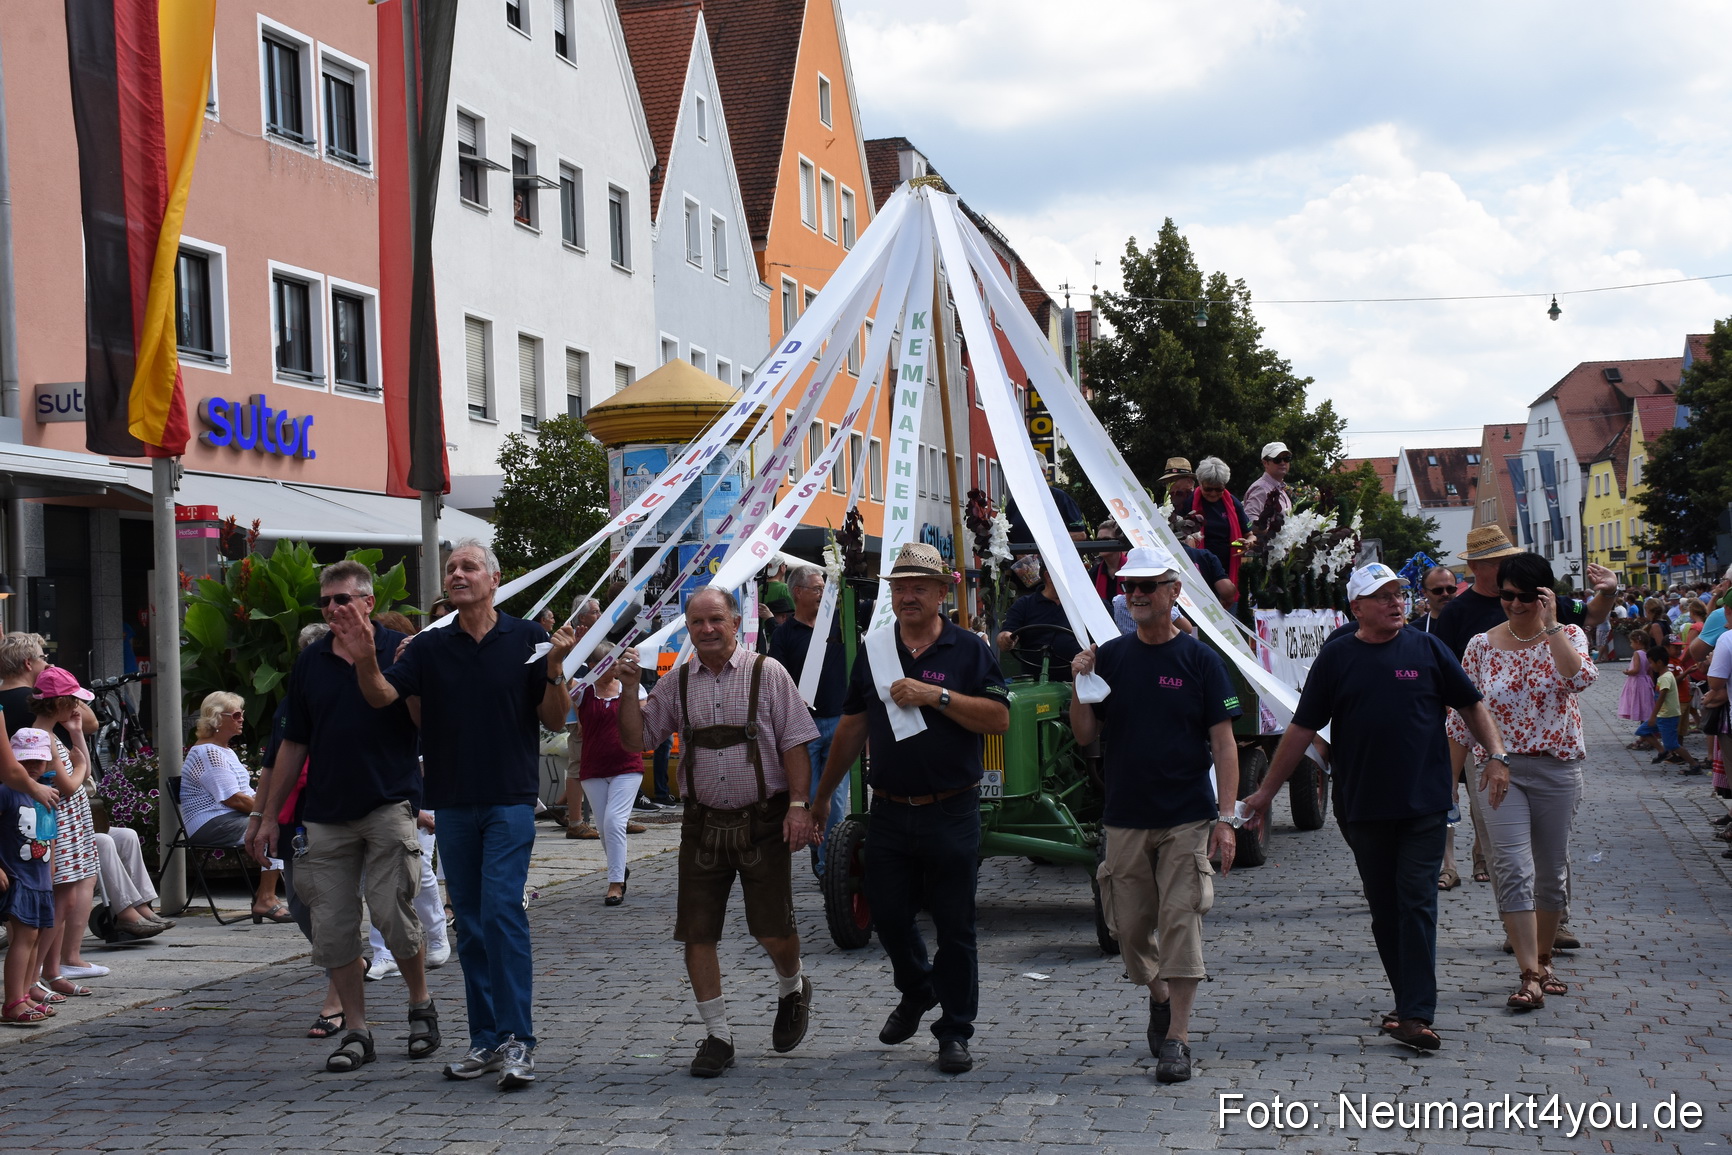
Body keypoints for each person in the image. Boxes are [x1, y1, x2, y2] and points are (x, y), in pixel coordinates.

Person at [328, 539, 578, 1091]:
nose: (458, 574)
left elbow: (555, 718)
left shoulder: (527, 638)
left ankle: (519, 1039)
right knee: (471, 922)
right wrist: (367, 658)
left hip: (510, 798)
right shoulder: (428, 646)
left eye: (469, 567)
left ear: (494, 578)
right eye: (451, 568)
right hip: (454, 802)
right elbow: (382, 697)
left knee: (502, 912)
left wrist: (555, 667)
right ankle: (486, 1039)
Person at [1242, 563, 1508, 1053]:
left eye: (1399, 594)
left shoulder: (1428, 649)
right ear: (1357, 608)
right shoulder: (1337, 656)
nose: (1396, 602)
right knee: (1385, 909)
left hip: (1424, 802)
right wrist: (1264, 794)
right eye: (1383, 596)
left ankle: (1416, 1013)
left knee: (1417, 901)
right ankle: (1407, 1003)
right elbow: (1301, 729)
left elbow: (1471, 704)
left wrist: (1495, 754)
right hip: (1362, 804)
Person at [816, 542, 1011, 1076]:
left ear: (941, 592)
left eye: (918, 587)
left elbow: (998, 719)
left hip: (951, 808)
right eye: (899, 587)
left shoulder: (968, 649)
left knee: (955, 925)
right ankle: (919, 987)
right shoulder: (876, 649)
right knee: (888, 915)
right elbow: (852, 725)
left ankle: (955, 1031)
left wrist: (935, 696)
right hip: (890, 809)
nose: (907, 596)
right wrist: (820, 796)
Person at [616, 586, 817, 1078]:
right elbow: (637, 739)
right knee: (697, 932)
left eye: (715, 620)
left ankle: (792, 986)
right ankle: (718, 1035)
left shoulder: (768, 673)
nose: (706, 629)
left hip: (764, 821)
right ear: (688, 628)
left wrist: (798, 806)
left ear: (734, 622)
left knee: (772, 930)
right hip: (702, 824)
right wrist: (628, 689)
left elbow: (795, 743)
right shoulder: (677, 682)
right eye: (697, 622)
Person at [248, 560, 439, 1074]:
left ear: (368, 602)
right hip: (325, 814)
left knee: (392, 914)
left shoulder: (400, 649)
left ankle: (420, 1004)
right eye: (326, 601)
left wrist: (371, 662)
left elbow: (421, 721)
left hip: (388, 802)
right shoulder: (311, 661)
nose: (332, 608)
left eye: (343, 599)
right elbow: (293, 743)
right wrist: (268, 815)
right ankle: (357, 1029)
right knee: (332, 928)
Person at [1067, 547, 1241, 1084]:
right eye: (1129, 587)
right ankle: (1159, 994)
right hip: (1124, 815)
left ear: (1174, 591)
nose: (1136, 595)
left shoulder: (1200, 660)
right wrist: (1079, 684)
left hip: (1186, 815)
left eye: (1147, 585)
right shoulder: (1111, 657)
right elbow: (1085, 734)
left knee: (1181, 920)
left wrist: (1226, 818)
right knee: (1128, 928)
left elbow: (1224, 743)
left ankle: (1178, 1039)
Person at [1433, 526, 1607, 947]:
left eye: (1524, 596)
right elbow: (1461, 716)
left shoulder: (1567, 634)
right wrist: (1447, 781)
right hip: (1497, 766)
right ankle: (1527, 954)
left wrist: (1552, 626)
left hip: (1555, 766)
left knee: (1550, 866)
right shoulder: (1475, 638)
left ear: (1544, 595)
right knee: (1510, 862)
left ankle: (1549, 934)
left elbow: (1579, 679)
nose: (1513, 603)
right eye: (1507, 595)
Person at [767, 565, 850, 874]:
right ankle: (821, 850)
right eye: (817, 588)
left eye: (825, 588)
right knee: (813, 795)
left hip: (840, 722)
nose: (822, 594)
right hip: (805, 729)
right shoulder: (784, 634)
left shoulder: (839, 624)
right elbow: (775, 679)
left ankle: (830, 865)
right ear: (798, 592)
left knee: (835, 799)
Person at [181, 692, 288, 922]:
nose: (242, 719)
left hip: (228, 818)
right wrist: (269, 814)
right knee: (275, 827)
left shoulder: (225, 751)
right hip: (210, 822)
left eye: (242, 713)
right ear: (217, 718)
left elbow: (246, 794)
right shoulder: (208, 752)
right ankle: (266, 899)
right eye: (236, 715)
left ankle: (267, 896)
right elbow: (234, 799)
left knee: (279, 822)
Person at [30, 671, 100, 1004]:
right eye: (73, 701)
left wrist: (75, 735)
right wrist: (81, 764)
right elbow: (71, 785)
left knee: (64, 900)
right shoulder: (41, 738)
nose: (77, 707)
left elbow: (79, 773)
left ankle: (52, 971)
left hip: (69, 825)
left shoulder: (49, 735)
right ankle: (34, 977)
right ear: (59, 702)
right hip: (58, 826)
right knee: (61, 902)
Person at [573, 660, 645, 906]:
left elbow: (643, 721)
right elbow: (561, 677)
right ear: (592, 665)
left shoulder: (632, 688)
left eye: (612, 664)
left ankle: (615, 883)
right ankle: (619, 868)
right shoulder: (582, 689)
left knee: (614, 822)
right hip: (593, 768)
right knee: (604, 827)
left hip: (627, 765)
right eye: (601, 664)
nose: (608, 669)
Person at [0, 728, 57, 1026]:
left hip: (40, 876)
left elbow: (51, 832)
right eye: (25, 760)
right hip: (18, 876)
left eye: (38, 760)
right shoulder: (6, 792)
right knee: (23, 938)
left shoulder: (44, 791)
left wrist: (53, 863)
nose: (32, 766)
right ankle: (12, 1002)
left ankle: (24, 994)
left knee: (34, 937)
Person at [997, 562, 1081, 679]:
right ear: (1049, 576)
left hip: (1078, 679)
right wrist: (1006, 638)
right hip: (1033, 680)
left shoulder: (1084, 605)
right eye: (1069, 573)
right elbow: (1006, 635)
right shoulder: (1025, 604)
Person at [1191, 458, 1247, 598]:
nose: (1213, 493)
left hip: (1227, 567)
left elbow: (1250, 534)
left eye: (1219, 489)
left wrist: (1247, 543)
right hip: (1198, 567)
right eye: (1208, 489)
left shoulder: (1233, 503)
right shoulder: (1189, 502)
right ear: (1200, 483)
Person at [1646, 643, 1698, 771]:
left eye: (1651, 663)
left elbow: (1661, 697)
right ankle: (1663, 751)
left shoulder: (1665, 677)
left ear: (1659, 662)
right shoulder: (1666, 674)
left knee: (1672, 744)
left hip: (1667, 715)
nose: (1650, 666)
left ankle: (1693, 764)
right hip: (1663, 714)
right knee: (1644, 731)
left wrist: (1653, 716)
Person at [1241, 442, 1294, 525]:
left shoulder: (1280, 488)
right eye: (1277, 459)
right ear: (1265, 463)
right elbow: (1249, 521)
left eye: (1287, 459)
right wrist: (1270, 530)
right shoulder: (1260, 488)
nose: (1283, 462)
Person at [1411, 566, 1459, 636]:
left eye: (1450, 589)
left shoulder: (1471, 623)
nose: (1445, 594)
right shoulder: (1414, 631)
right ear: (1425, 592)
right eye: (1438, 590)